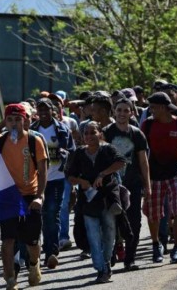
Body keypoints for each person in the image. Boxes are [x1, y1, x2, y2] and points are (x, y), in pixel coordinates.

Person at [141, 92, 177, 264]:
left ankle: (176, 249)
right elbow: (141, 154)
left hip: (176, 174)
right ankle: (156, 245)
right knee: (154, 214)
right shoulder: (147, 125)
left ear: (163, 108)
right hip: (154, 176)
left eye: (153, 107)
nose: (150, 110)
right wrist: (144, 180)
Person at [66, 121, 126, 283]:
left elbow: (121, 162)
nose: (89, 136)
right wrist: (80, 181)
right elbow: (69, 176)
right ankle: (102, 268)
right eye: (86, 133)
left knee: (109, 231)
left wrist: (102, 174)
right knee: (92, 234)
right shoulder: (79, 153)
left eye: (93, 133)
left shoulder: (107, 149)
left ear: (100, 134)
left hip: (107, 198)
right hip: (88, 200)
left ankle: (106, 260)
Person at [0, 103, 47, 290]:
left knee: (31, 241)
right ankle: (10, 279)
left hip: (30, 195)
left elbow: (42, 171)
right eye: (10, 120)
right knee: (8, 240)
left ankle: (34, 264)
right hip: (8, 197)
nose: (14, 123)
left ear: (25, 121)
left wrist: (39, 196)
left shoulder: (35, 141)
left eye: (18, 119)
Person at [103, 98, 151, 271]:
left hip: (133, 185)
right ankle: (111, 254)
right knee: (111, 222)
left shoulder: (137, 134)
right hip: (111, 186)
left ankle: (130, 259)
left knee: (134, 223)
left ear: (131, 113)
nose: (122, 113)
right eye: (119, 110)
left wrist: (148, 186)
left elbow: (143, 162)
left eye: (126, 110)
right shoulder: (106, 132)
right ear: (114, 112)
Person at [29, 97, 75, 269]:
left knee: (52, 214)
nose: (43, 113)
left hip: (56, 179)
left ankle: (51, 253)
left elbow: (72, 152)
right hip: (35, 180)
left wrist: (66, 160)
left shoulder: (62, 129)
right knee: (38, 216)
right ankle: (35, 252)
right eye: (39, 110)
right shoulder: (32, 130)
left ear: (52, 111)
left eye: (45, 110)